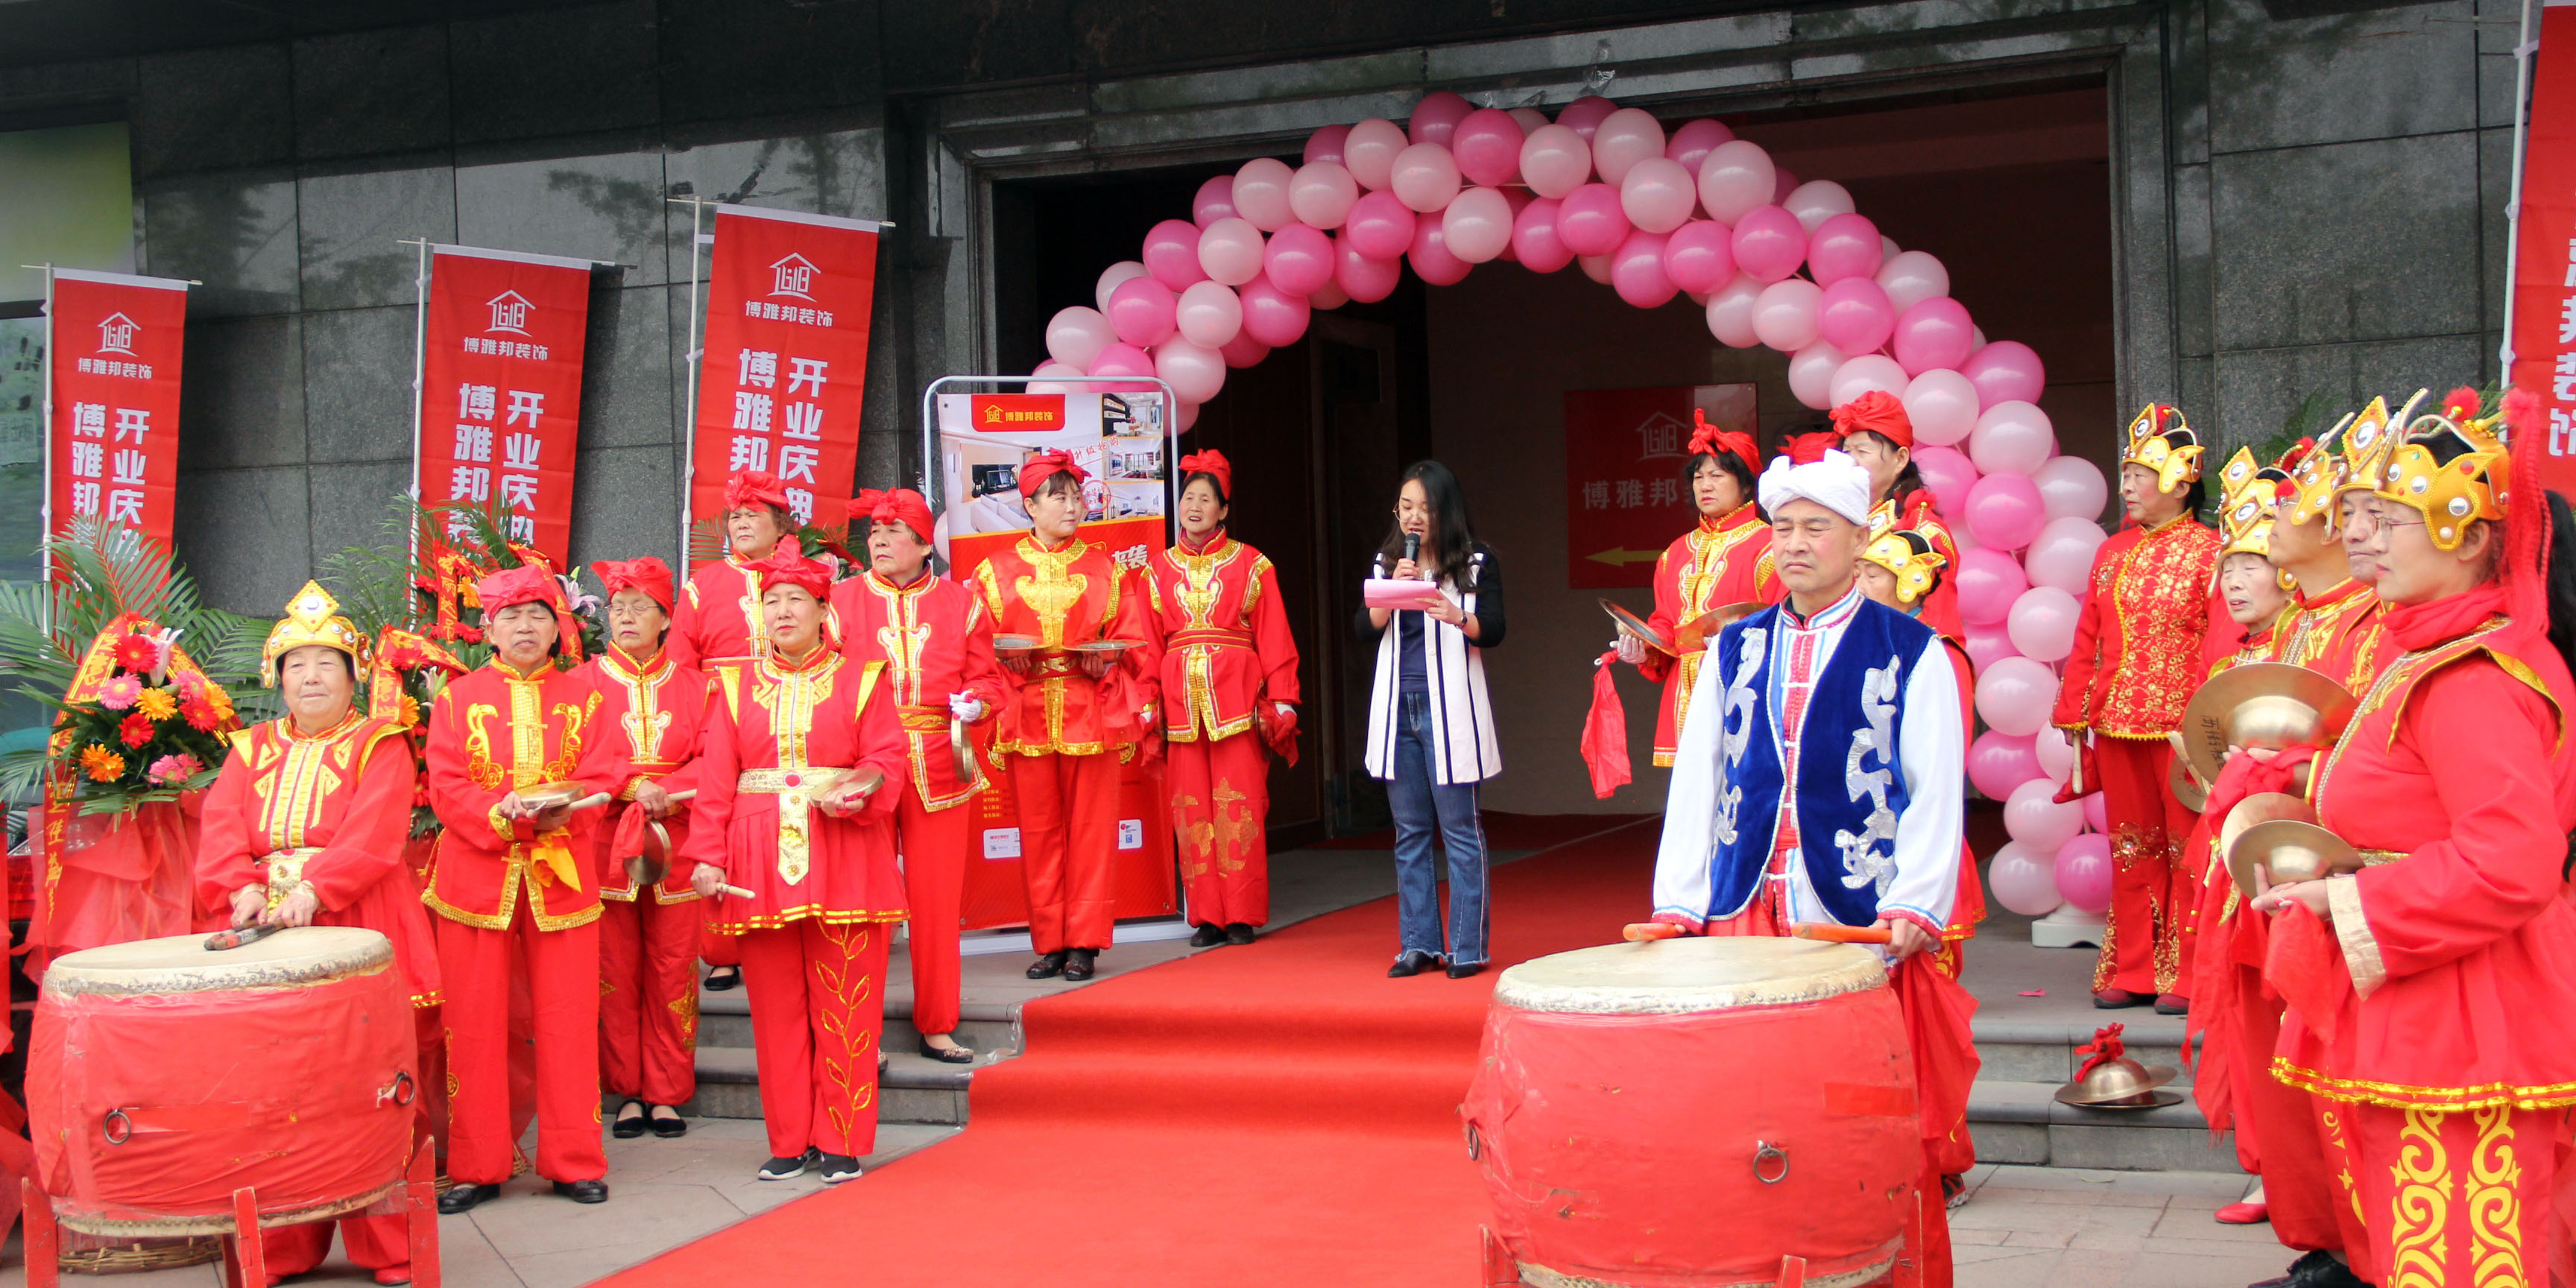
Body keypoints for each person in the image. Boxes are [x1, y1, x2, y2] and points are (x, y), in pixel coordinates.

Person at [2246, 388, 2576, 1288]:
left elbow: (2512, 861)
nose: (2362, 539)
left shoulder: (2470, 678)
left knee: (2464, 1261)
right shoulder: (2422, 655)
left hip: (2468, 1014)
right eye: (2358, 518)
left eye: (2388, 521)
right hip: (2429, 993)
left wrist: (2343, 896)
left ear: (2469, 537)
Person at [1641, 446, 1970, 1285]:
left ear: (1860, 538)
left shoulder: (1911, 650)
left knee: (1855, 1118)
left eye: (1814, 528)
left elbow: (1936, 790)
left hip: (1851, 918)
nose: (1793, 544)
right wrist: (1682, 901)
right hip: (1745, 908)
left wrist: (1914, 905)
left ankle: (1862, 1264)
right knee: (1742, 1112)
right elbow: (1699, 780)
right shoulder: (1734, 647)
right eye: (1782, 527)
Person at [196, 583, 442, 1287]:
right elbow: (219, 829)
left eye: (326, 664)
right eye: (297, 665)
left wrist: (314, 888)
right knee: (271, 1087)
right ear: (278, 679)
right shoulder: (249, 747)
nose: (310, 677)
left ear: (352, 676)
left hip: (357, 919)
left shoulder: (380, 742)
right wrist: (240, 887)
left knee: (370, 1080)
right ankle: (280, 1247)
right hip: (262, 929)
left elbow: (375, 834)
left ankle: (388, 1245)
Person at [685, 550, 911, 1184]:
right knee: (776, 1011)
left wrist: (860, 786)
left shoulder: (863, 678)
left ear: (822, 611)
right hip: (756, 860)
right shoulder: (730, 685)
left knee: (848, 1005)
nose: (781, 612)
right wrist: (705, 855)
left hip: (844, 850)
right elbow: (715, 781)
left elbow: (887, 758)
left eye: (795, 601)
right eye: (771, 602)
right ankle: (789, 1141)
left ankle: (841, 1139)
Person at [422, 566, 614, 1213]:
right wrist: (501, 817)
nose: (525, 627)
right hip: (475, 878)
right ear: (489, 630)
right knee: (473, 1024)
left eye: (537, 615)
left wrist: (565, 811)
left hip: (564, 874)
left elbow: (605, 773)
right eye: (510, 617)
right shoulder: (455, 698)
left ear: (559, 627)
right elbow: (446, 786)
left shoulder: (588, 695)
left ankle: (574, 1159)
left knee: (566, 1021)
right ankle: (478, 1163)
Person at [2050, 404, 2220, 1013]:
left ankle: (2191, 973)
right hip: (2118, 722)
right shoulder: (2113, 552)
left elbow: (2219, 641)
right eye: (2124, 473)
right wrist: (2075, 710)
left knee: (2186, 849)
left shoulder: (2211, 552)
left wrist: (2208, 726)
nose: (2126, 485)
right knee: (2130, 848)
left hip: (2181, 732)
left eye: (2138, 474)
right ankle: (2136, 967)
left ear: (2179, 479)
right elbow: (2088, 638)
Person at [971, 451, 1158, 983]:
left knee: (1094, 831)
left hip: (1090, 707)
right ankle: (1049, 940)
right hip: (1025, 709)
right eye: (1060, 497)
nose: (1074, 506)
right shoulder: (994, 571)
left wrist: (1111, 657)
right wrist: (1005, 662)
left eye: (1077, 496)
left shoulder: (1106, 566)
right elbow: (977, 643)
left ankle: (1086, 942)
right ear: (1029, 506)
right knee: (1038, 831)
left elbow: (1135, 638)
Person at [833, 487, 1005, 1064]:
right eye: (873, 534)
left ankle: (938, 1023)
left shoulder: (962, 602)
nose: (878, 542)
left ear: (923, 544)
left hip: (940, 762)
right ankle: (863, 1030)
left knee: (935, 902)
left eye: (893, 533)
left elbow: (988, 679)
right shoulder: (839, 601)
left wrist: (978, 704)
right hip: (867, 766)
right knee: (866, 905)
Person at [1852, 517, 1984, 1197]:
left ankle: (1937, 1155)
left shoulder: (1935, 655)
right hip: (1867, 852)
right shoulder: (1861, 650)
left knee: (1922, 1017)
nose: (1862, 583)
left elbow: (1935, 774)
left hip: (1920, 853)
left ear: (1908, 585)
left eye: (1875, 574)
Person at [1358, 460, 1506, 979]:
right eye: (1406, 507)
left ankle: (1467, 946)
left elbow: (1494, 629)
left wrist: (1457, 615)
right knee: (1410, 832)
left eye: (1425, 507)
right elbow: (1363, 627)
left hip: (1452, 709)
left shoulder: (1475, 561)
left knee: (1461, 831)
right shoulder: (1387, 562)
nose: (1414, 517)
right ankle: (1418, 943)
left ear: (1446, 511)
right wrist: (1392, 592)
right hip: (1399, 708)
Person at [1149, 450, 1301, 947]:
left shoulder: (1252, 564)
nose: (1195, 506)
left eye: (1205, 499)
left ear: (1224, 509)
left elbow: (1274, 636)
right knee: (1190, 809)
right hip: (1180, 706)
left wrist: (1283, 699)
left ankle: (1242, 913)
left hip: (1235, 700)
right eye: (1188, 497)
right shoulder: (1157, 569)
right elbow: (1147, 644)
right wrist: (1147, 701)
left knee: (1239, 806)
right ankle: (1208, 916)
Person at [579, 557, 707, 1141]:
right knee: (613, 970)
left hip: (677, 837)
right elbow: (573, 760)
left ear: (666, 619)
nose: (625, 618)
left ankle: (667, 1090)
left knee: (673, 968)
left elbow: (716, 757)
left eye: (640, 608)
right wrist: (631, 786)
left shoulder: (695, 687)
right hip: (604, 841)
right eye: (617, 607)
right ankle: (626, 1089)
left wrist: (671, 792)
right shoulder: (579, 685)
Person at [669, 469, 804, 991]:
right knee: (717, 824)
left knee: (780, 819)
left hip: (790, 715)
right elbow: (682, 665)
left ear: (780, 524)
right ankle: (721, 950)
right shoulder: (703, 585)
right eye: (736, 516)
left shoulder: (807, 576)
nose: (742, 524)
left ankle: (786, 922)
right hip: (720, 719)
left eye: (754, 515)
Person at [1612, 411, 1774, 769]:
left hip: (1743, 691)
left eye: (1718, 475)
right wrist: (1645, 647)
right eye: (1699, 477)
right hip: (1682, 696)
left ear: (1747, 484)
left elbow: (1783, 624)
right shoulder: (1675, 553)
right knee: (1690, 810)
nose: (1705, 485)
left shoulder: (1769, 546)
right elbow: (1667, 626)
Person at [1833, 391, 1964, 640]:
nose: (1850, 461)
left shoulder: (1922, 527)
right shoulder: (1843, 518)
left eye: (1862, 451)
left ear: (1900, 459)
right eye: (1846, 452)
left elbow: (1935, 618)